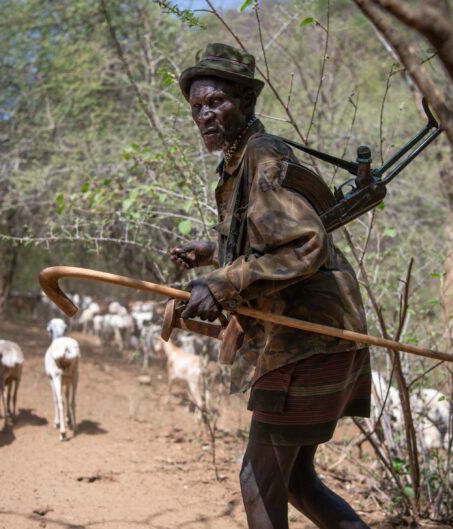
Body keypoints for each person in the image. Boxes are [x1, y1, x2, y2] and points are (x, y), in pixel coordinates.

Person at [170, 43, 371, 529]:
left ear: (247, 102)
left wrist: (220, 282)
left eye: (216, 102)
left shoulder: (262, 156)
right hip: (319, 336)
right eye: (197, 107)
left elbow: (304, 245)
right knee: (297, 480)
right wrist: (213, 251)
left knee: (257, 483)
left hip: (308, 340)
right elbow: (267, 242)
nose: (204, 115)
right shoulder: (241, 161)